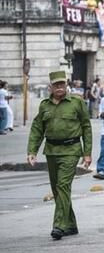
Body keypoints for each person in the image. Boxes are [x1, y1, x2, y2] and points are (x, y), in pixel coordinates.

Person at [27, 70, 92, 240]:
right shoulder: (44, 106)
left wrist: (87, 153)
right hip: (51, 151)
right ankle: (70, 224)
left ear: (66, 85)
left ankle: (59, 225)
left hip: (71, 150)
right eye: (56, 85)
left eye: (62, 84)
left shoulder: (76, 103)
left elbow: (86, 127)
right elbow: (37, 129)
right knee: (58, 190)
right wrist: (32, 151)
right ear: (50, 87)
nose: (60, 87)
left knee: (63, 186)